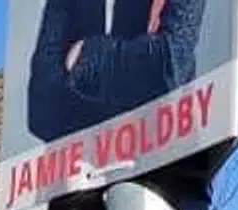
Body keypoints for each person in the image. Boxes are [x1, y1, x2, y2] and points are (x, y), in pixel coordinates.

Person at [27, 0, 205, 142]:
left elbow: (169, 66)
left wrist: (87, 57)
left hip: (166, 169)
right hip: (87, 175)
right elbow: (42, 109)